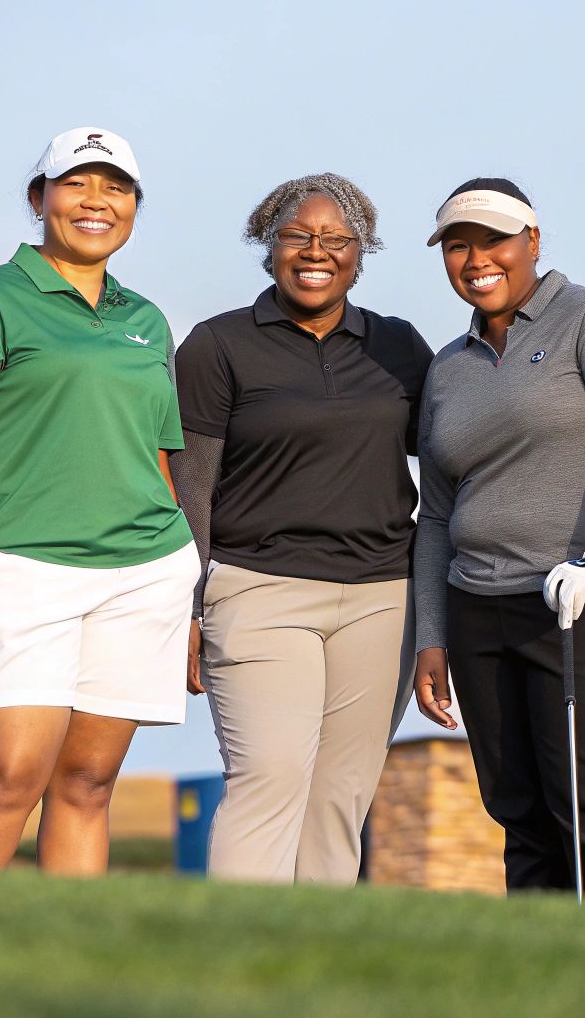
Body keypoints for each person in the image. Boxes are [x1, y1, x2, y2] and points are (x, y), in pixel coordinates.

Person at [0, 127, 196, 874]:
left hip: (146, 571)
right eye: (76, 183)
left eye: (116, 187)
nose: (96, 201)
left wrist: (190, 591)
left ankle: (62, 974)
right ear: (40, 198)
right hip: (22, 566)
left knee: (87, 782)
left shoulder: (147, 319)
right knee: (8, 777)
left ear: (135, 206)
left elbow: (159, 458)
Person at [412, 178, 585, 898]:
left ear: (532, 240)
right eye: (457, 247)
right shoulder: (447, 367)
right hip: (480, 609)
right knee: (520, 815)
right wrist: (429, 635)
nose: (475, 260)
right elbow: (435, 514)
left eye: (492, 241)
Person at [171, 174, 433, 884]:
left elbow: (448, 469)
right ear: (270, 244)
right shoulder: (217, 346)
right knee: (271, 774)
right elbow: (189, 486)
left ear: (361, 252)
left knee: (341, 796)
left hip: (384, 599)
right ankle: (239, 966)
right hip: (257, 591)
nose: (316, 251)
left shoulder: (399, 347)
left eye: (336, 240)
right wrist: (186, 607)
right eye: (298, 236)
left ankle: (316, 966)